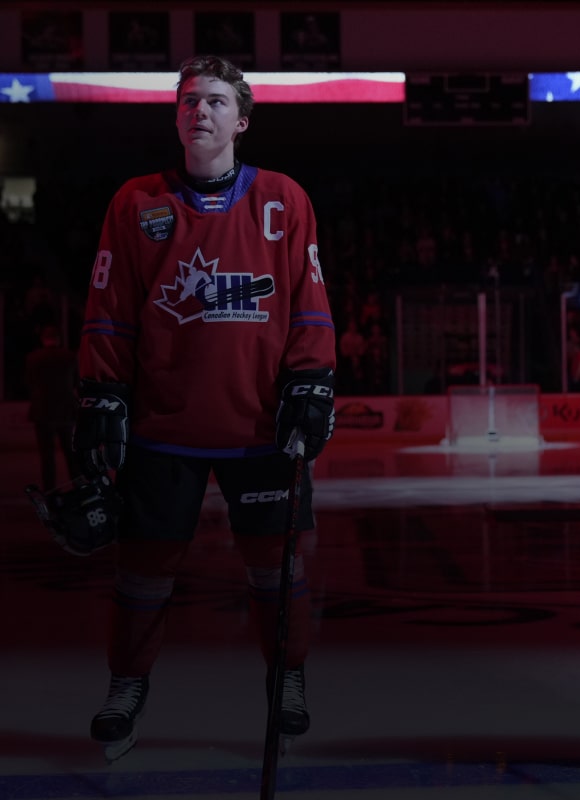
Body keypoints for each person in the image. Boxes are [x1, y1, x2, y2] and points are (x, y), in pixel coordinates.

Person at [73, 54, 336, 763]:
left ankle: (287, 675)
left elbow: (309, 304)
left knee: (276, 570)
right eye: (190, 100)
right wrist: (101, 392)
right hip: (163, 428)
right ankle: (126, 687)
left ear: (241, 121)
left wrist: (311, 384)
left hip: (258, 430)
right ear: (176, 115)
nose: (201, 111)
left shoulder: (283, 199)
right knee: (143, 572)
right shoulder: (135, 203)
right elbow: (110, 308)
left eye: (216, 102)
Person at [25, 324, 81, 490]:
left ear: (43, 340)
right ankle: (78, 489)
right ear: (58, 339)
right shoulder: (70, 357)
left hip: (43, 412)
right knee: (71, 455)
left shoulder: (32, 358)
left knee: (47, 457)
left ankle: (50, 491)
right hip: (66, 412)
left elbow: (28, 383)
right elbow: (76, 383)